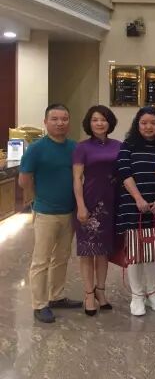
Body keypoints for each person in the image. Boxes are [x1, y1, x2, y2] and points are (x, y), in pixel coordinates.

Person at [19, 104, 81, 323]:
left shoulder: (74, 147)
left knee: (62, 257)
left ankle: (56, 296)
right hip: (46, 213)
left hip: (68, 212)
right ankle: (39, 304)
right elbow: (24, 180)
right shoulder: (36, 148)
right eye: (54, 119)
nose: (60, 123)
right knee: (41, 260)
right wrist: (37, 198)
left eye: (64, 119)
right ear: (45, 122)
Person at [116, 107, 155, 316]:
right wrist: (138, 199)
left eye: (153, 123)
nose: (149, 127)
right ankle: (137, 296)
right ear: (137, 125)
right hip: (133, 206)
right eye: (144, 123)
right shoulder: (128, 145)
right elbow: (124, 173)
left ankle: (153, 292)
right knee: (136, 253)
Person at [73, 105, 121, 316]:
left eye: (103, 119)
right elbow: (77, 178)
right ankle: (88, 295)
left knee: (103, 251)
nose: (100, 123)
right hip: (89, 202)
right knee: (87, 251)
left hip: (111, 203)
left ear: (110, 122)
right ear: (89, 123)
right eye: (95, 120)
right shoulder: (82, 147)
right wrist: (81, 205)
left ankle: (101, 291)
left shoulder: (119, 145)